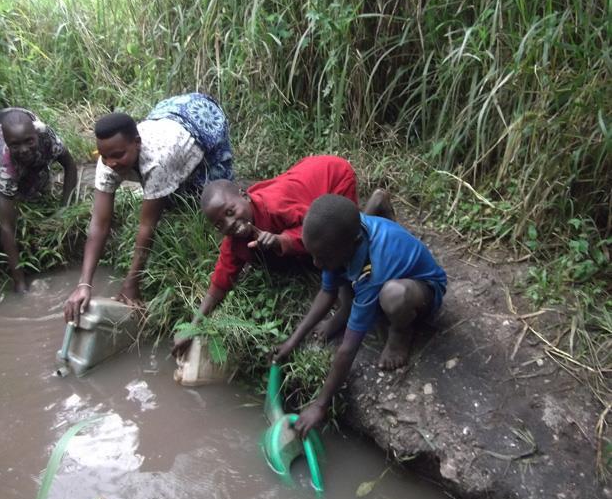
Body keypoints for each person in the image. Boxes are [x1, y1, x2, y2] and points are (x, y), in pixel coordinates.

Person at [172, 155, 396, 357]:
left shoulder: (275, 206)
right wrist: (193, 327)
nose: (229, 224)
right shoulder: (234, 242)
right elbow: (219, 284)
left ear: (244, 195)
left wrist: (283, 240)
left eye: (231, 212)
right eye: (220, 224)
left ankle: (375, 205)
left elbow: (312, 230)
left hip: (333, 175)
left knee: (340, 239)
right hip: (305, 177)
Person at [273, 194, 446, 438]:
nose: (315, 263)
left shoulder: (371, 271)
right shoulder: (340, 240)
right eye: (313, 255)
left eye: (321, 257)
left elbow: (348, 348)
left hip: (421, 288)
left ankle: (400, 332)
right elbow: (327, 290)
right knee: (337, 267)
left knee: (393, 295)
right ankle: (346, 310)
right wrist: (292, 340)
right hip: (361, 259)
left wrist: (320, 405)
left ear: (353, 243)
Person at [64, 93, 233, 325]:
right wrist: (83, 284)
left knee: (208, 195)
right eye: (104, 156)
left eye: (118, 155)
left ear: (137, 142)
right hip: (166, 115)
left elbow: (147, 226)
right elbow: (99, 223)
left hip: (201, 118)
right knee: (166, 194)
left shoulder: (158, 160)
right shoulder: (108, 162)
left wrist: (131, 285)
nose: (111, 163)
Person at [0, 107, 78, 293]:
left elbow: (70, 166)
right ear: (7, 142)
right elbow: (6, 226)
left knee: (37, 183)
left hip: (24, 116)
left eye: (29, 141)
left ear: (36, 135)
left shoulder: (47, 135)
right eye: (15, 145)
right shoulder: (2, 157)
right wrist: (20, 284)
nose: (23, 149)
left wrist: (64, 208)